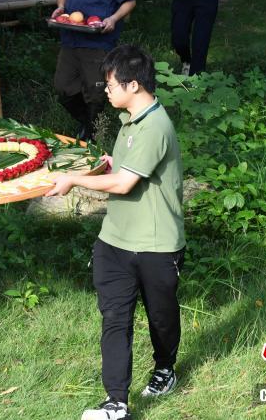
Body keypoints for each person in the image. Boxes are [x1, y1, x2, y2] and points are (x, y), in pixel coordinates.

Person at [46, 45, 185, 420]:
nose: (104, 89)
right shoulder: (129, 119)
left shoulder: (155, 125)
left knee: (161, 317)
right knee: (115, 318)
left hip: (156, 244)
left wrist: (73, 180)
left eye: (110, 83)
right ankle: (116, 403)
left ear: (134, 84)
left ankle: (164, 368)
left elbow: (124, 184)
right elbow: (125, 168)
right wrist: (110, 162)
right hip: (115, 241)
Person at [51, 0, 136, 141]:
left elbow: (129, 1)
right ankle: (86, 121)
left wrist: (113, 19)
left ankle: (91, 134)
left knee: (96, 93)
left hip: (98, 41)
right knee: (63, 88)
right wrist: (61, 7)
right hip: (70, 38)